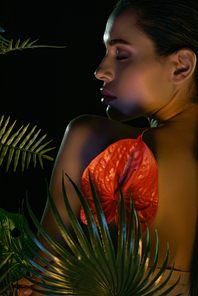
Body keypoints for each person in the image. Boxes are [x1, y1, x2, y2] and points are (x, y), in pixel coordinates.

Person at [21, 0, 198, 295]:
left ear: (181, 65)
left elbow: (40, 282)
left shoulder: (92, 137)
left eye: (121, 55)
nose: (101, 71)